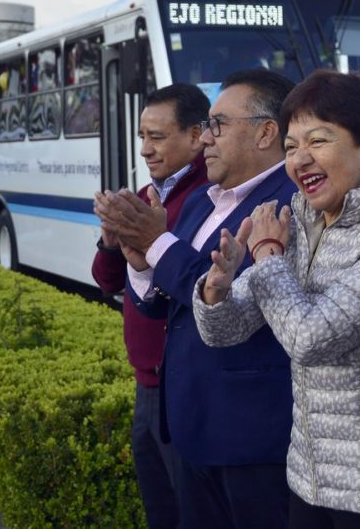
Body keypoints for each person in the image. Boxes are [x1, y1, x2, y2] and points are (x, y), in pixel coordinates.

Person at [191, 70, 360, 529]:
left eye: (319, 141)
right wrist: (218, 289)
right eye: (290, 147)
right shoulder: (304, 220)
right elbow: (227, 330)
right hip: (310, 475)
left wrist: (266, 257)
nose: (300, 159)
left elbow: (310, 338)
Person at [96, 69, 297, 529]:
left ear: (266, 132)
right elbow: (166, 304)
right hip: (189, 426)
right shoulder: (200, 202)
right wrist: (141, 259)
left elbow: (229, 296)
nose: (205, 137)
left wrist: (159, 244)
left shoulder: (285, 204)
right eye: (206, 125)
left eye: (219, 125)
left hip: (251, 438)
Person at [92, 83, 208, 529]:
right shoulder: (145, 198)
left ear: (197, 136)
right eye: (143, 136)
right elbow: (106, 281)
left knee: (188, 511)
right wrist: (110, 238)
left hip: (180, 383)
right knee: (159, 509)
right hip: (146, 384)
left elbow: (190, 286)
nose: (145, 149)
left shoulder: (206, 198)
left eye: (157, 137)